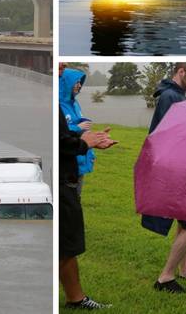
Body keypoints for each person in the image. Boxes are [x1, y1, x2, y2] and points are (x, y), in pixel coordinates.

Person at [143, 62, 186, 293]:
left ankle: (185, 269)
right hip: (176, 170)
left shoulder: (176, 95)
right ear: (181, 72)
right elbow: (167, 137)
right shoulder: (171, 97)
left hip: (179, 167)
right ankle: (165, 278)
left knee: (185, 220)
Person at [59, 107, 117, 310]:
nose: (60, 72)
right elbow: (59, 140)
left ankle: (75, 298)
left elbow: (63, 132)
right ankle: (75, 299)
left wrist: (86, 135)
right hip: (61, 182)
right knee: (66, 246)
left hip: (66, 181)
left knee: (67, 246)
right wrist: (84, 143)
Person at [59, 68, 95, 196]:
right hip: (69, 162)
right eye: (76, 82)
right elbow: (61, 132)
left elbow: (75, 122)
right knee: (71, 200)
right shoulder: (59, 105)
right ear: (68, 83)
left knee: (76, 199)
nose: (79, 85)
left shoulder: (74, 103)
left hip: (80, 159)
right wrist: (78, 127)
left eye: (80, 82)